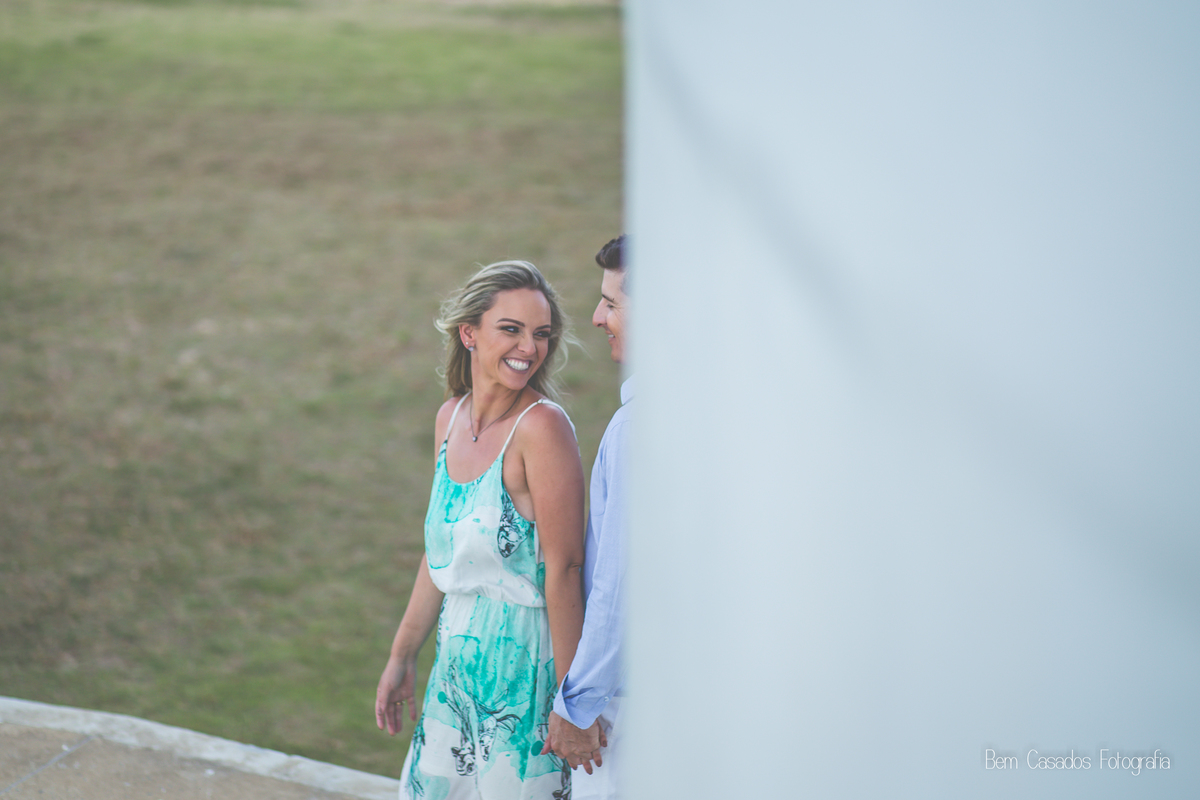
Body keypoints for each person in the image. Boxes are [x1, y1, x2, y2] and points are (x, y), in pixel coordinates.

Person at [375, 260, 586, 800]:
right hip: (455, 670)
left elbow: (565, 569)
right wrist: (402, 655)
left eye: (541, 334)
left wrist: (572, 702)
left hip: (526, 672)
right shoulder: (450, 417)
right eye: (511, 329)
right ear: (469, 333)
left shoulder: (542, 427)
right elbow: (442, 554)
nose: (529, 348)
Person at [542, 235, 631, 800]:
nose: (597, 317)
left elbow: (620, 583)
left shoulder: (640, 428)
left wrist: (577, 706)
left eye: (612, 303)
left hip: (632, 717)